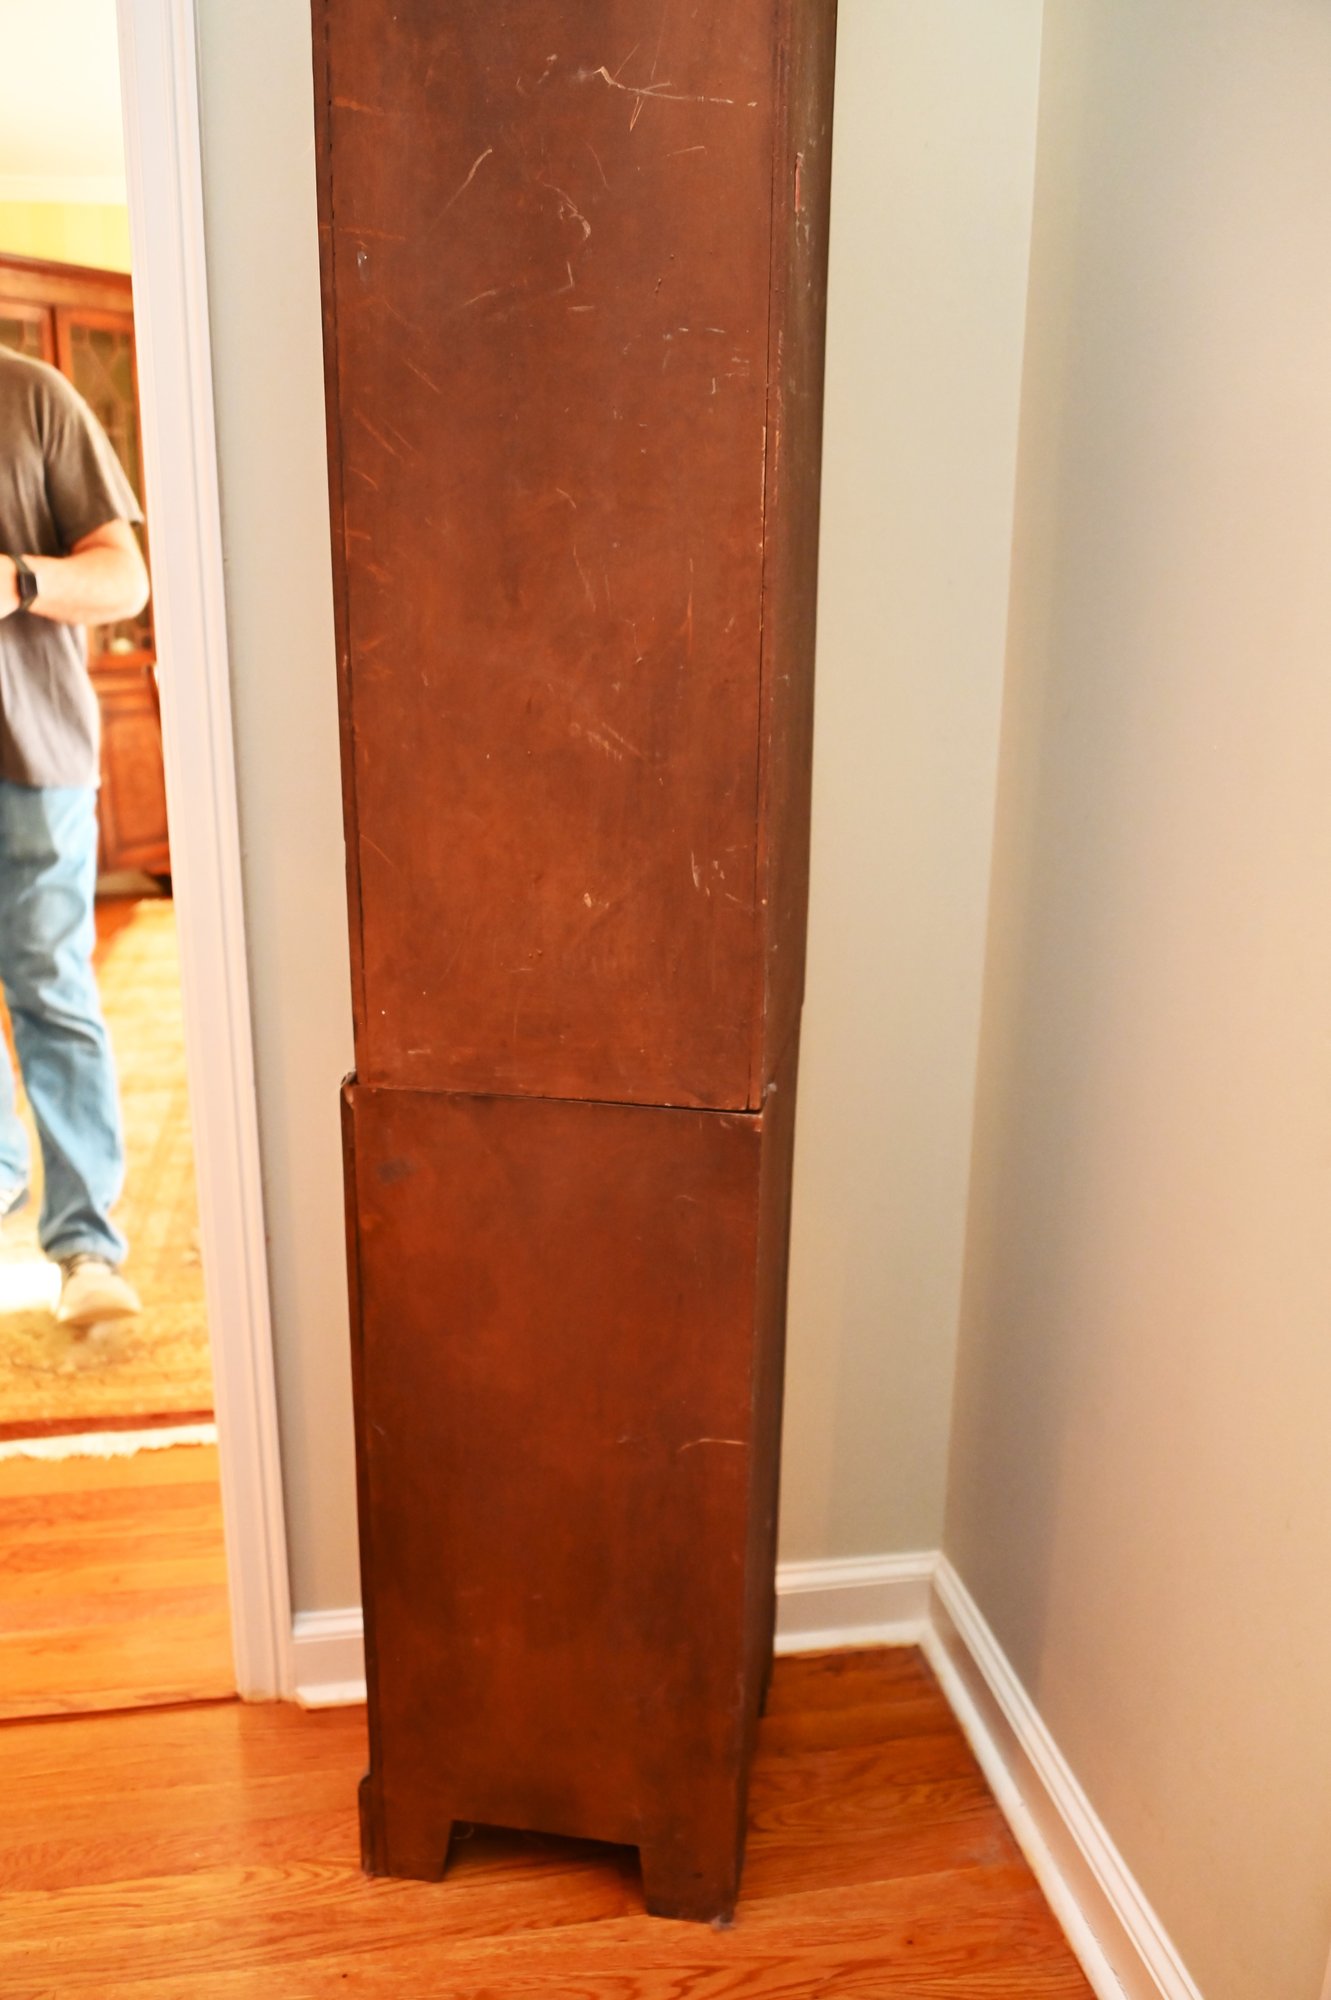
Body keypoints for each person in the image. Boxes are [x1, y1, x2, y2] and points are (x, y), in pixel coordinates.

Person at [0, 346, 151, 1327]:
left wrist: (18, 581)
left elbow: (124, 580)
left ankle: (86, 1244)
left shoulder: (35, 397)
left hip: (36, 756)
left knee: (51, 989)